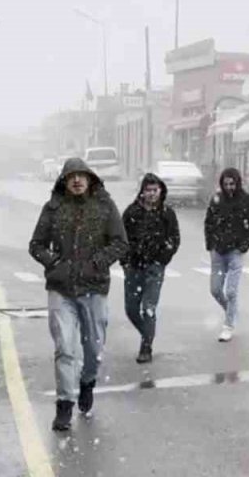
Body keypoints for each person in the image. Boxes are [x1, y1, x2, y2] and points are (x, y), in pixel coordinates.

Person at [29, 157, 127, 432]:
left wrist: (97, 262)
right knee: (64, 348)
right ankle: (64, 404)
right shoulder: (53, 208)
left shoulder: (105, 206)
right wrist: (53, 262)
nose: (76, 180)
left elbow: (120, 243)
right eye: (71, 176)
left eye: (81, 176)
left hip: (94, 288)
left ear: (90, 178)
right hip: (61, 289)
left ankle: (87, 382)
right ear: (64, 181)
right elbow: (36, 245)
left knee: (93, 348)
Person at [122, 173, 180, 364]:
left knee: (148, 307)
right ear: (142, 191)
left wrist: (162, 258)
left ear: (160, 191)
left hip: (155, 267)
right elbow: (121, 239)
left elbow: (174, 239)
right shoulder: (132, 212)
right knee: (131, 309)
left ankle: (146, 346)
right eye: (148, 190)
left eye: (155, 190)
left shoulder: (167, 214)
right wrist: (125, 262)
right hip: (134, 267)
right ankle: (147, 333)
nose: (152, 194)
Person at [203, 167, 249, 342]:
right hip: (218, 252)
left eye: (232, 184)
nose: (229, 187)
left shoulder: (247, 201)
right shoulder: (217, 200)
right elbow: (208, 223)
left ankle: (228, 325)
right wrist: (210, 246)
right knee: (215, 290)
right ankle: (232, 311)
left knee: (231, 291)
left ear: (238, 183)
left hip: (235, 252)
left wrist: (243, 246)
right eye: (226, 184)